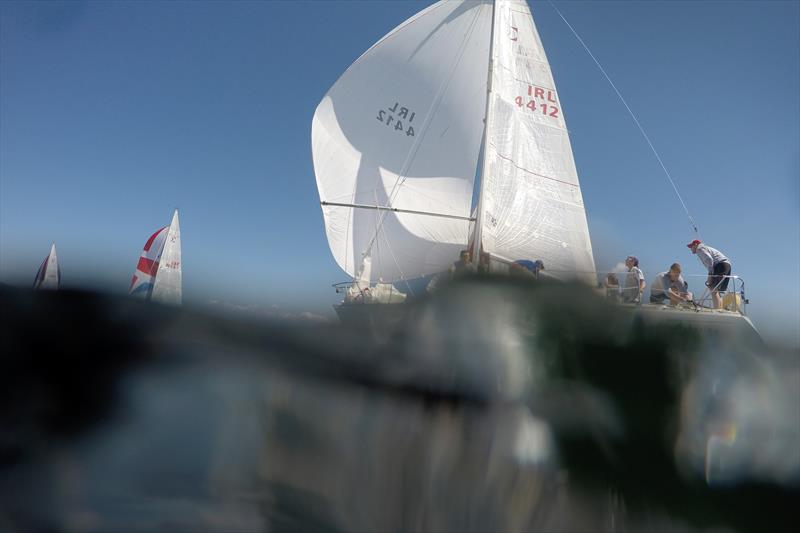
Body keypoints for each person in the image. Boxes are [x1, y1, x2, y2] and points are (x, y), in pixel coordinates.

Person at [687, 239, 731, 309]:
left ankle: (716, 310)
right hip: (727, 265)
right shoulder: (705, 248)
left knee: (713, 289)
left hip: (720, 265)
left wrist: (710, 274)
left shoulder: (700, 249)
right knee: (718, 290)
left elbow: (709, 259)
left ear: (695, 245)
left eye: (691, 246)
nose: (690, 248)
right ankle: (720, 309)